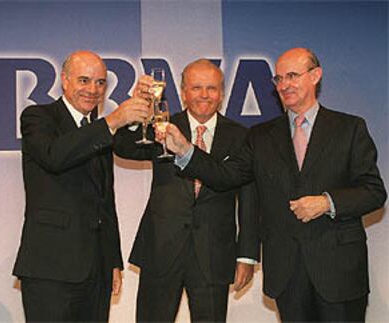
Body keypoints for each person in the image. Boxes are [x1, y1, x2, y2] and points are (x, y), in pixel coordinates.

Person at [163, 48, 387, 322]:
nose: (284, 85)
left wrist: (327, 202)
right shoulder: (261, 136)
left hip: (338, 270)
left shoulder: (349, 128)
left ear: (316, 75)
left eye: (292, 76)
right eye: (278, 79)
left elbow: (374, 191)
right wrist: (186, 151)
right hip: (287, 273)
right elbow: (224, 176)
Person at [113, 59, 259, 322]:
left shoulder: (241, 136)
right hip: (161, 250)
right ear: (183, 93)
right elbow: (124, 147)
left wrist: (247, 255)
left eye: (212, 88)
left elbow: (248, 198)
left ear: (222, 94)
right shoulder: (162, 125)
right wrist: (137, 114)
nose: (204, 95)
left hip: (213, 254)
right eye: (196, 88)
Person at [12, 50, 151, 322]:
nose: (93, 90)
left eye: (100, 83)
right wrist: (112, 121)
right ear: (65, 81)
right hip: (50, 269)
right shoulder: (38, 117)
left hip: (96, 270)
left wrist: (112, 261)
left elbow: (105, 201)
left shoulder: (99, 131)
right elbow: (55, 156)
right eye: (84, 80)